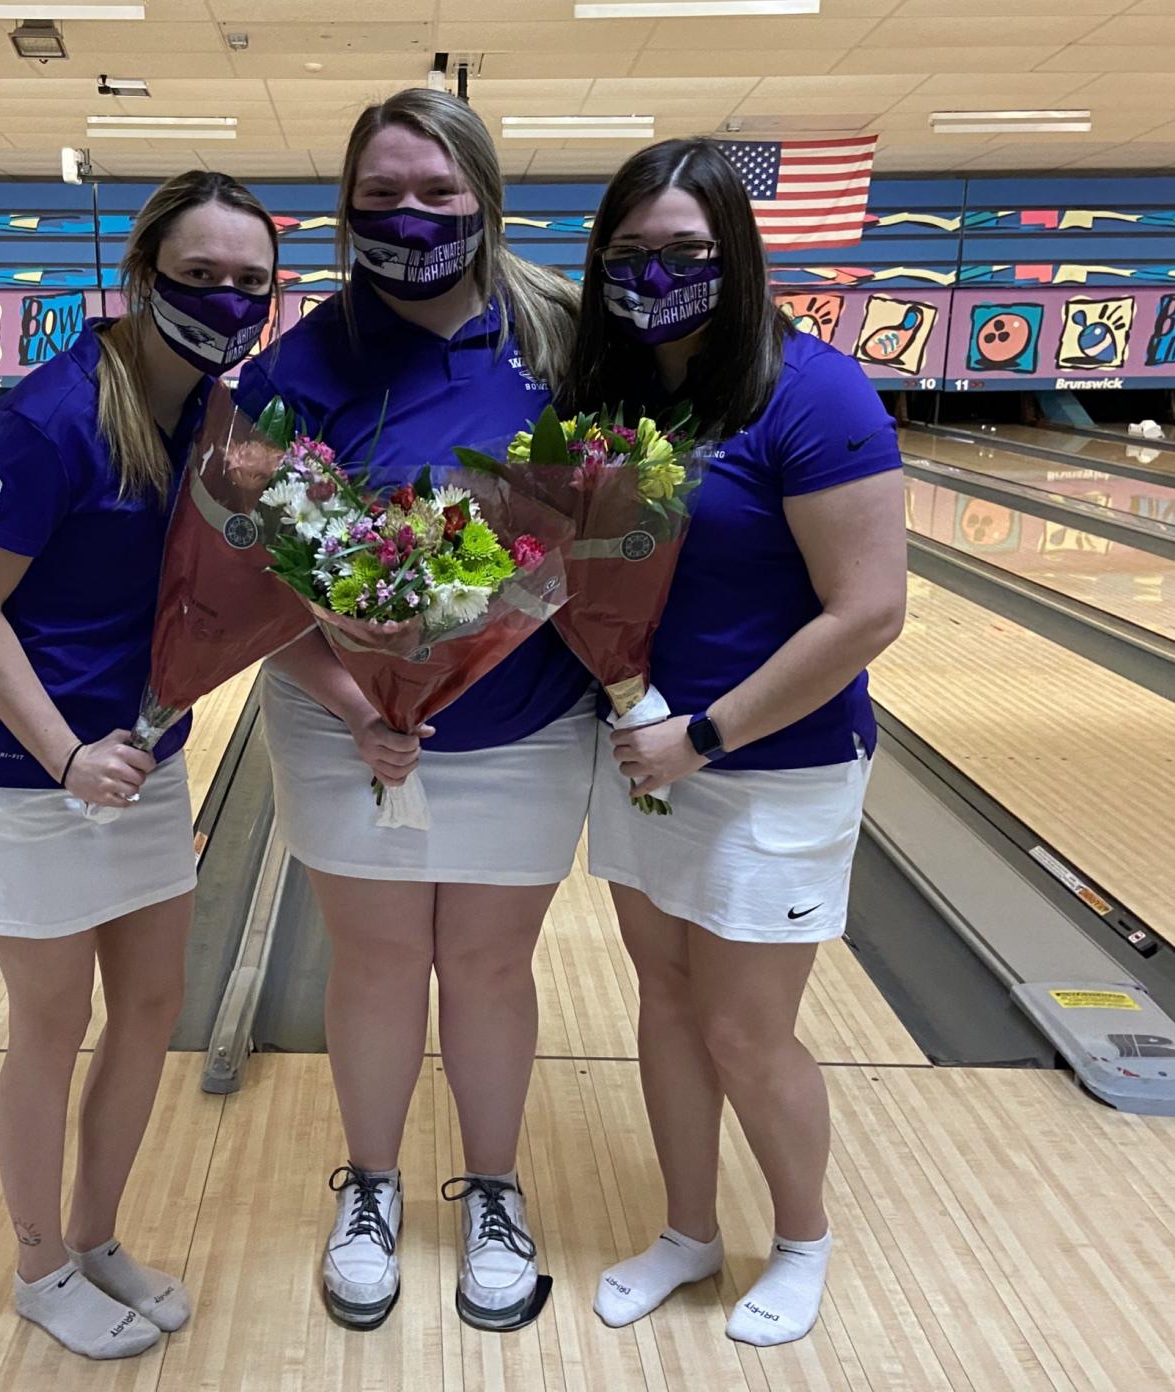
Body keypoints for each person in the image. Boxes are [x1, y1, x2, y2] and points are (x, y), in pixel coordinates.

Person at [234, 88, 592, 1333]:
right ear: (345, 208)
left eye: (437, 193)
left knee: (490, 968)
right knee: (379, 966)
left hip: (529, 723)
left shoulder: (561, 340)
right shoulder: (294, 369)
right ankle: (373, 1189)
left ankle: (493, 1191)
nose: (410, 218)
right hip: (347, 728)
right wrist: (351, 698)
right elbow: (244, 577)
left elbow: (611, 539)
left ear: (486, 199)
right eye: (380, 196)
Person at [0, 171, 277, 1359]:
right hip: (36, 775)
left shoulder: (213, 421)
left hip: (143, 764)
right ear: (142, 277)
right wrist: (67, 754)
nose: (224, 300)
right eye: (198, 277)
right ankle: (36, 1266)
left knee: (150, 1009)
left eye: (249, 283)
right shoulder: (44, 421)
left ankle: (95, 1234)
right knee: (50, 1023)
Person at [566, 140, 906, 1346]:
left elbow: (868, 609)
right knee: (663, 1003)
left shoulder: (812, 392)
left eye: (686, 253)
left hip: (768, 765)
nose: (655, 274)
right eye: (632, 254)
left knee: (743, 1028)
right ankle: (686, 1230)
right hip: (645, 751)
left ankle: (801, 1239)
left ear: (738, 254)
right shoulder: (613, 398)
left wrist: (702, 735)